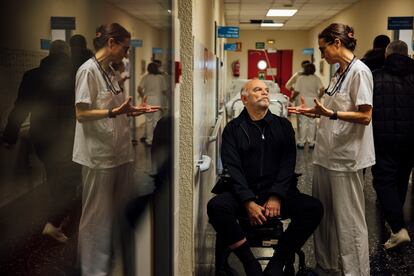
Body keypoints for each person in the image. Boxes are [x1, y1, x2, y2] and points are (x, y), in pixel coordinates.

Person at [207, 79, 323, 276]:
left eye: (266, 90)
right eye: (257, 90)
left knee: (313, 208)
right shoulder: (233, 129)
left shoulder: (283, 126)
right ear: (244, 99)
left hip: (276, 194)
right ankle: (250, 264)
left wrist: (276, 195)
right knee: (216, 206)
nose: (264, 93)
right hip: (244, 193)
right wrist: (248, 202)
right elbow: (232, 168)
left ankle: (277, 263)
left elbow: (288, 164)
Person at [73, 23, 159, 276]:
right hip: (97, 155)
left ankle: (114, 264)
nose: (127, 54)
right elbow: (81, 113)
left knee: (118, 212)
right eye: (125, 48)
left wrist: (132, 111)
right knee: (96, 219)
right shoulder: (87, 71)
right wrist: (114, 112)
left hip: (118, 152)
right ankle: (92, 271)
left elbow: (116, 109)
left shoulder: (109, 72)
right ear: (111, 44)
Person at [289, 23, 375, 276]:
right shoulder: (338, 73)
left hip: (346, 157)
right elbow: (330, 110)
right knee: (323, 215)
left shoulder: (360, 72)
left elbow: (365, 115)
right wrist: (315, 112)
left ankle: (356, 271)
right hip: (326, 155)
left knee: (349, 221)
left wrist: (332, 113)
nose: (322, 54)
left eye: (323, 48)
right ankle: (326, 266)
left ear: (337, 43)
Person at [3, 40, 80, 243]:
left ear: (49, 53)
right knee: (70, 179)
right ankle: (56, 221)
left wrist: (10, 135)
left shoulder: (31, 76)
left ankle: (58, 219)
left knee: (57, 176)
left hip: (42, 136)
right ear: (67, 53)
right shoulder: (76, 75)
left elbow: (21, 107)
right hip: (69, 135)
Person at [371, 40, 414, 249]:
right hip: (411, 140)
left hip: (383, 140)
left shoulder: (375, 77)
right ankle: (395, 223)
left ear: (387, 56)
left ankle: (398, 228)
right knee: (401, 180)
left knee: (383, 181)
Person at [290, 63, 324, 149]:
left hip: (302, 100)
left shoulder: (300, 78)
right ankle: (311, 142)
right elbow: (322, 89)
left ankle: (301, 142)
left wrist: (292, 98)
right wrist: (318, 97)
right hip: (313, 100)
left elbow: (296, 91)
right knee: (312, 121)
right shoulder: (316, 78)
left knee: (303, 121)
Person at [137, 62, 167, 146]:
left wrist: (142, 95)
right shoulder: (161, 78)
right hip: (157, 99)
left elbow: (139, 88)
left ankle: (149, 140)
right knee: (156, 120)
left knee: (148, 120)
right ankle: (156, 139)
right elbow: (164, 90)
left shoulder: (145, 77)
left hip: (148, 99)